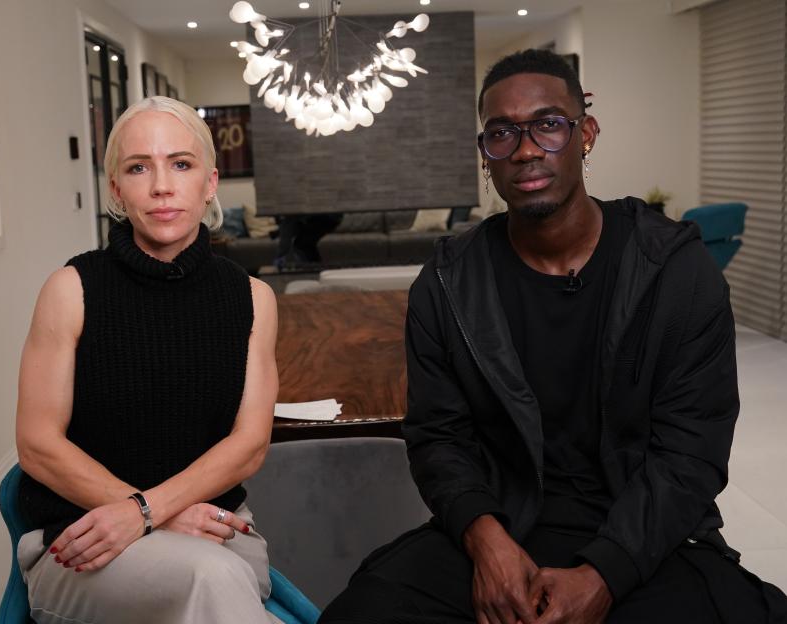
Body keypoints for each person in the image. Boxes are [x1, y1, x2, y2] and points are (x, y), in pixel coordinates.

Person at [319, 49, 787, 623]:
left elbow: (692, 455)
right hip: (502, 523)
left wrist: (605, 574)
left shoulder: (677, 272)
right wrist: (485, 541)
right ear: (486, 155)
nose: (524, 150)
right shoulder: (448, 283)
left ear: (584, 133)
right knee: (362, 612)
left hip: (644, 536)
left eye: (547, 125)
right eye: (502, 134)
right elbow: (439, 437)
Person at [15, 96, 280, 623]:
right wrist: (147, 516)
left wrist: (150, 513)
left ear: (209, 182)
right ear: (116, 188)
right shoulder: (71, 289)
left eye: (181, 164)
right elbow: (38, 445)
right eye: (139, 167)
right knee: (212, 580)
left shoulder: (253, 298)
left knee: (217, 577)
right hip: (84, 539)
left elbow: (248, 445)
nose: (162, 185)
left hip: (214, 527)